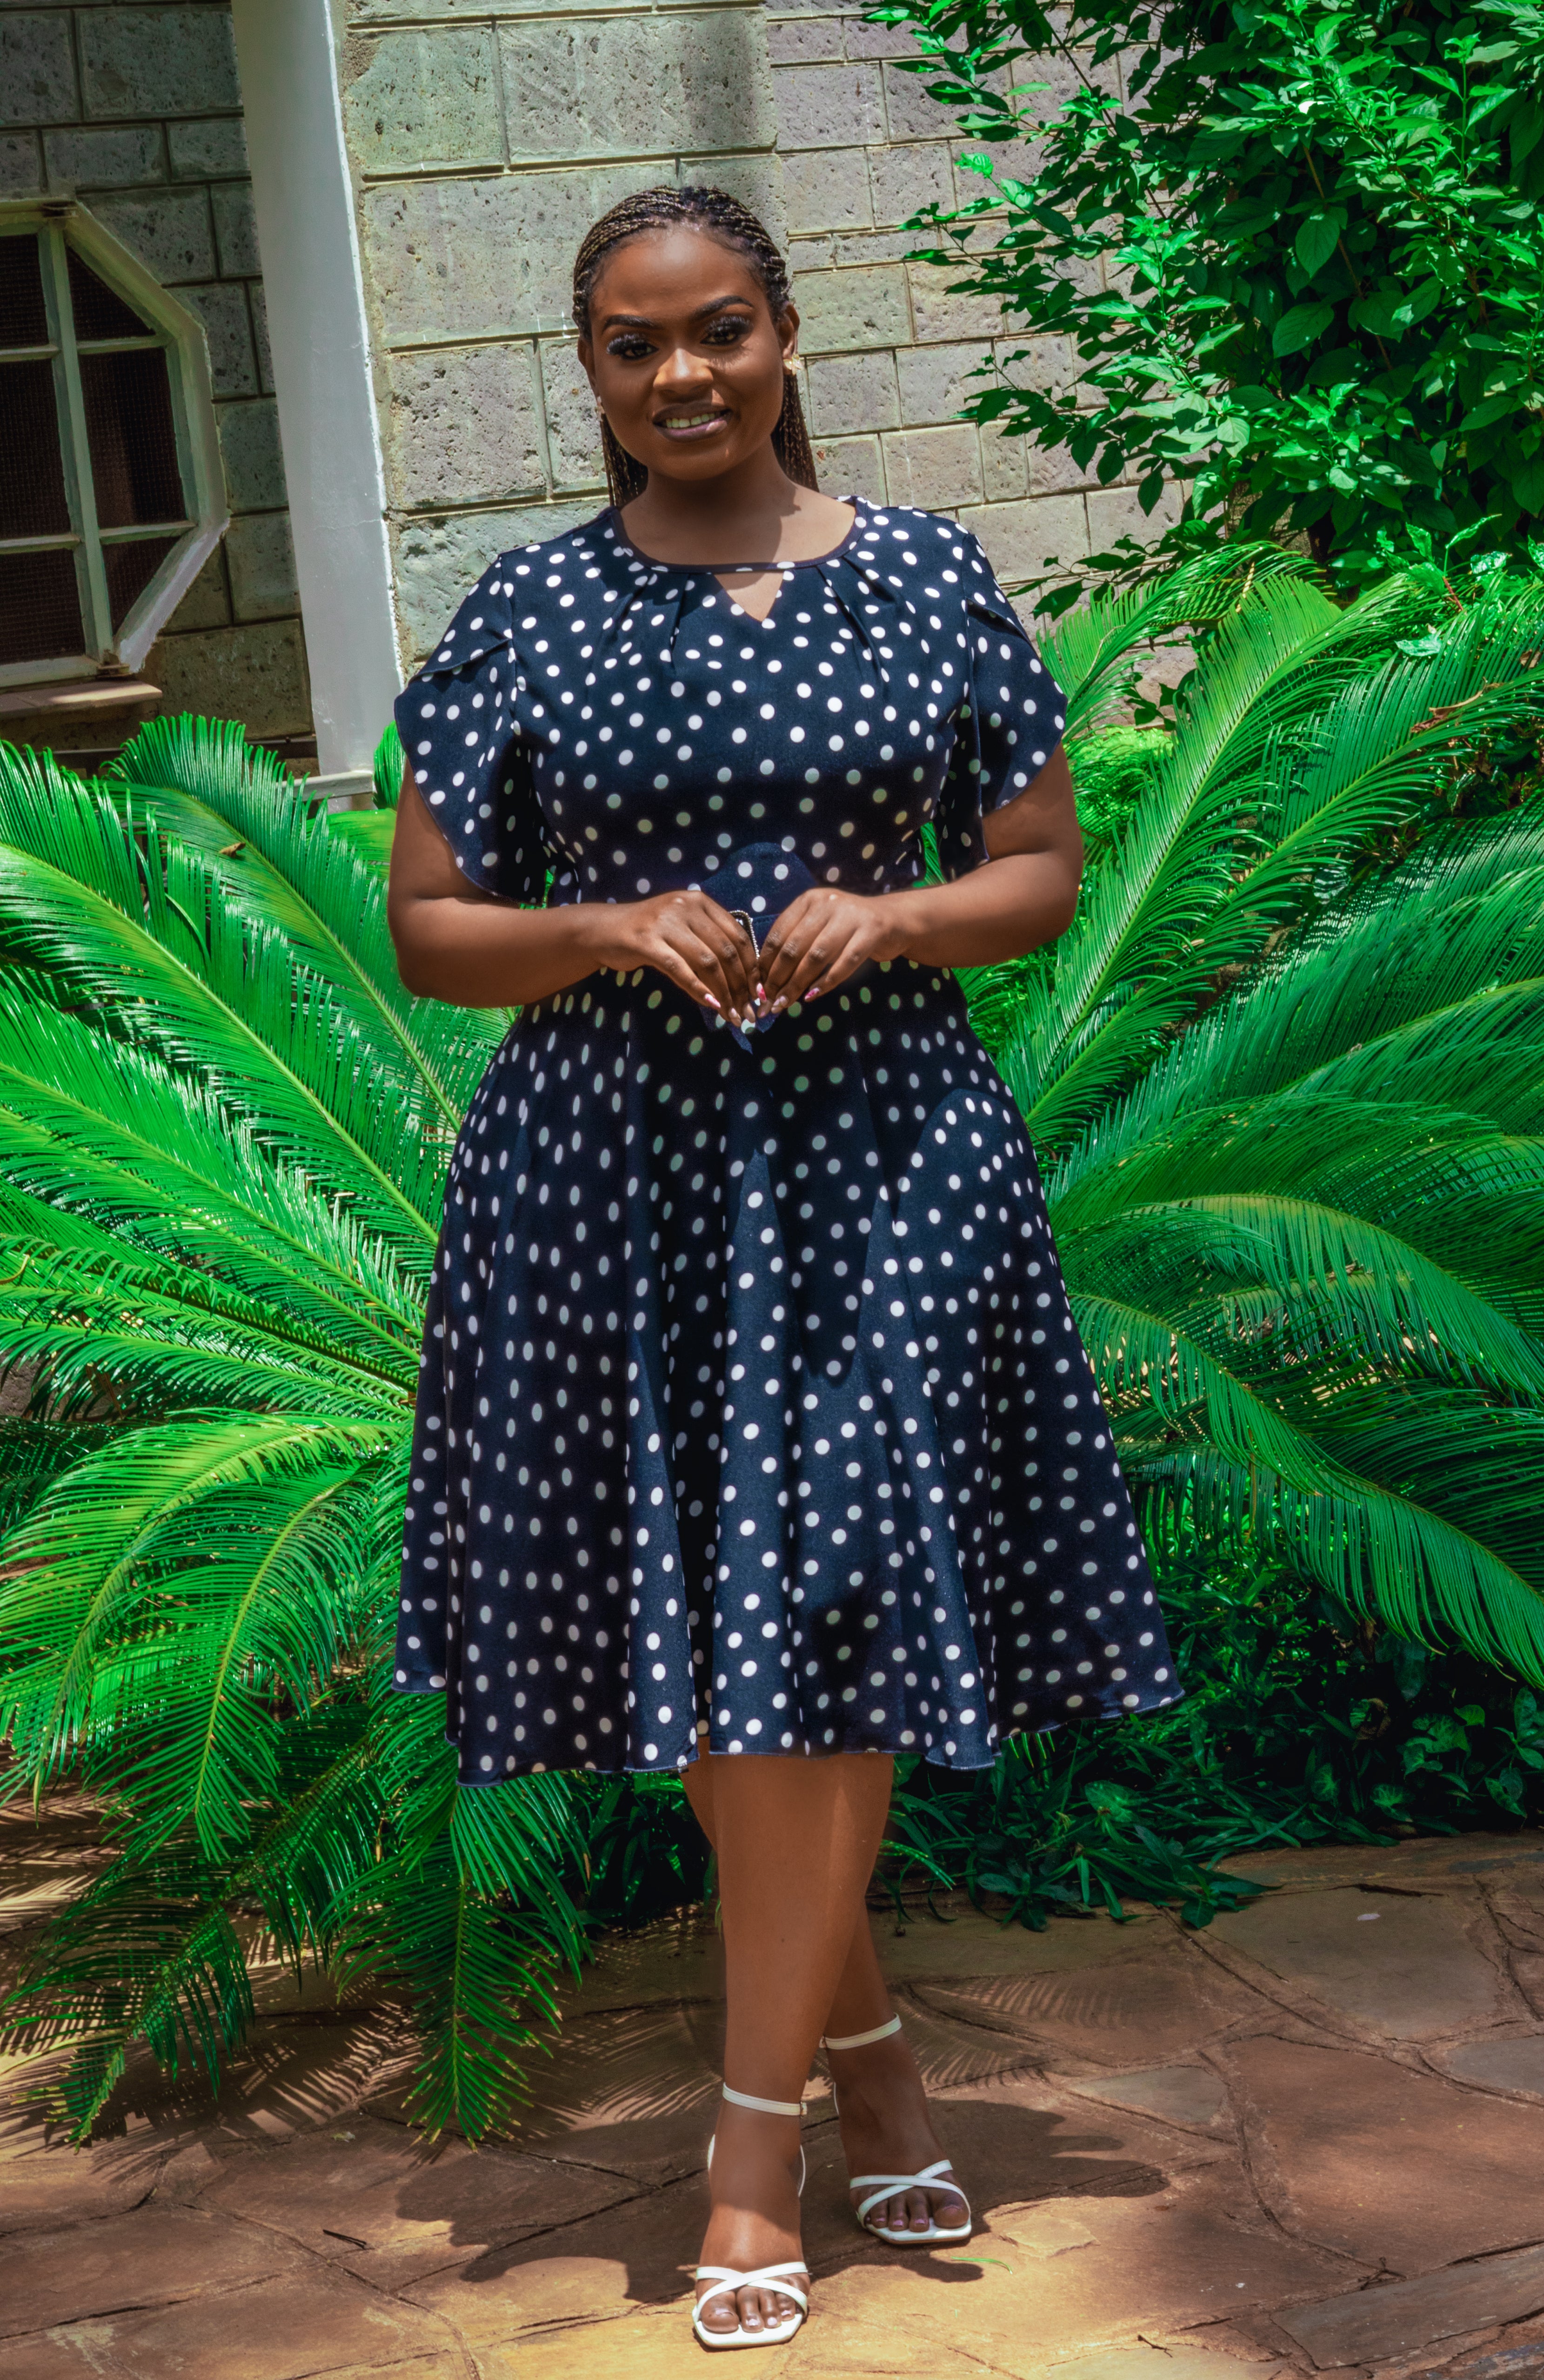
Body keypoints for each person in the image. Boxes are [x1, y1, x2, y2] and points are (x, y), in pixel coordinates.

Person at [384, 183, 1182, 2352]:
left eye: (717, 331)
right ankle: (875, 2065)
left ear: (788, 332)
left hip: (880, 1165)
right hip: (619, 1183)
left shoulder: (926, 573)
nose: (682, 379)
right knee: (732, 1642)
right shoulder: (532, 609)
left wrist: (889, 914)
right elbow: (431, 923)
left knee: (816, 1613)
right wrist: (605, 926)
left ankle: (750, 2153)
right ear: (594, 375)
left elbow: (1034, 866)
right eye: (634, 349)